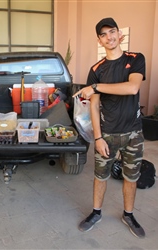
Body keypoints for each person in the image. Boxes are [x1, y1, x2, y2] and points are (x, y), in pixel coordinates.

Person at [73, 17, 146, 238]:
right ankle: (96, 213)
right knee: (100, 176)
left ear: (119, 34)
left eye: (112, 32)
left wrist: (94, 87)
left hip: (133, 132)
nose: (109, 37)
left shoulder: (135, 59)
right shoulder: (96, 69)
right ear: (99, 40)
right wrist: (97, 138)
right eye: (103, 34)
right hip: (106, 134)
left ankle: (129, 214)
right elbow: (94, 106)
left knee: (131, 178)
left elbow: (133, 88)